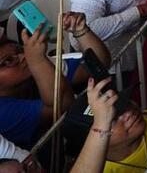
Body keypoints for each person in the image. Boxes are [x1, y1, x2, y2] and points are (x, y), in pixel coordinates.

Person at [0, 15, 109, 149]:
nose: (23, 57)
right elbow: (62, 106)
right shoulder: (3, 112)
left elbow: (97, 65)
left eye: (20, 51)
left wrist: (80, 30)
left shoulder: (33, 68)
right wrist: (38, 61)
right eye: (8, 61)